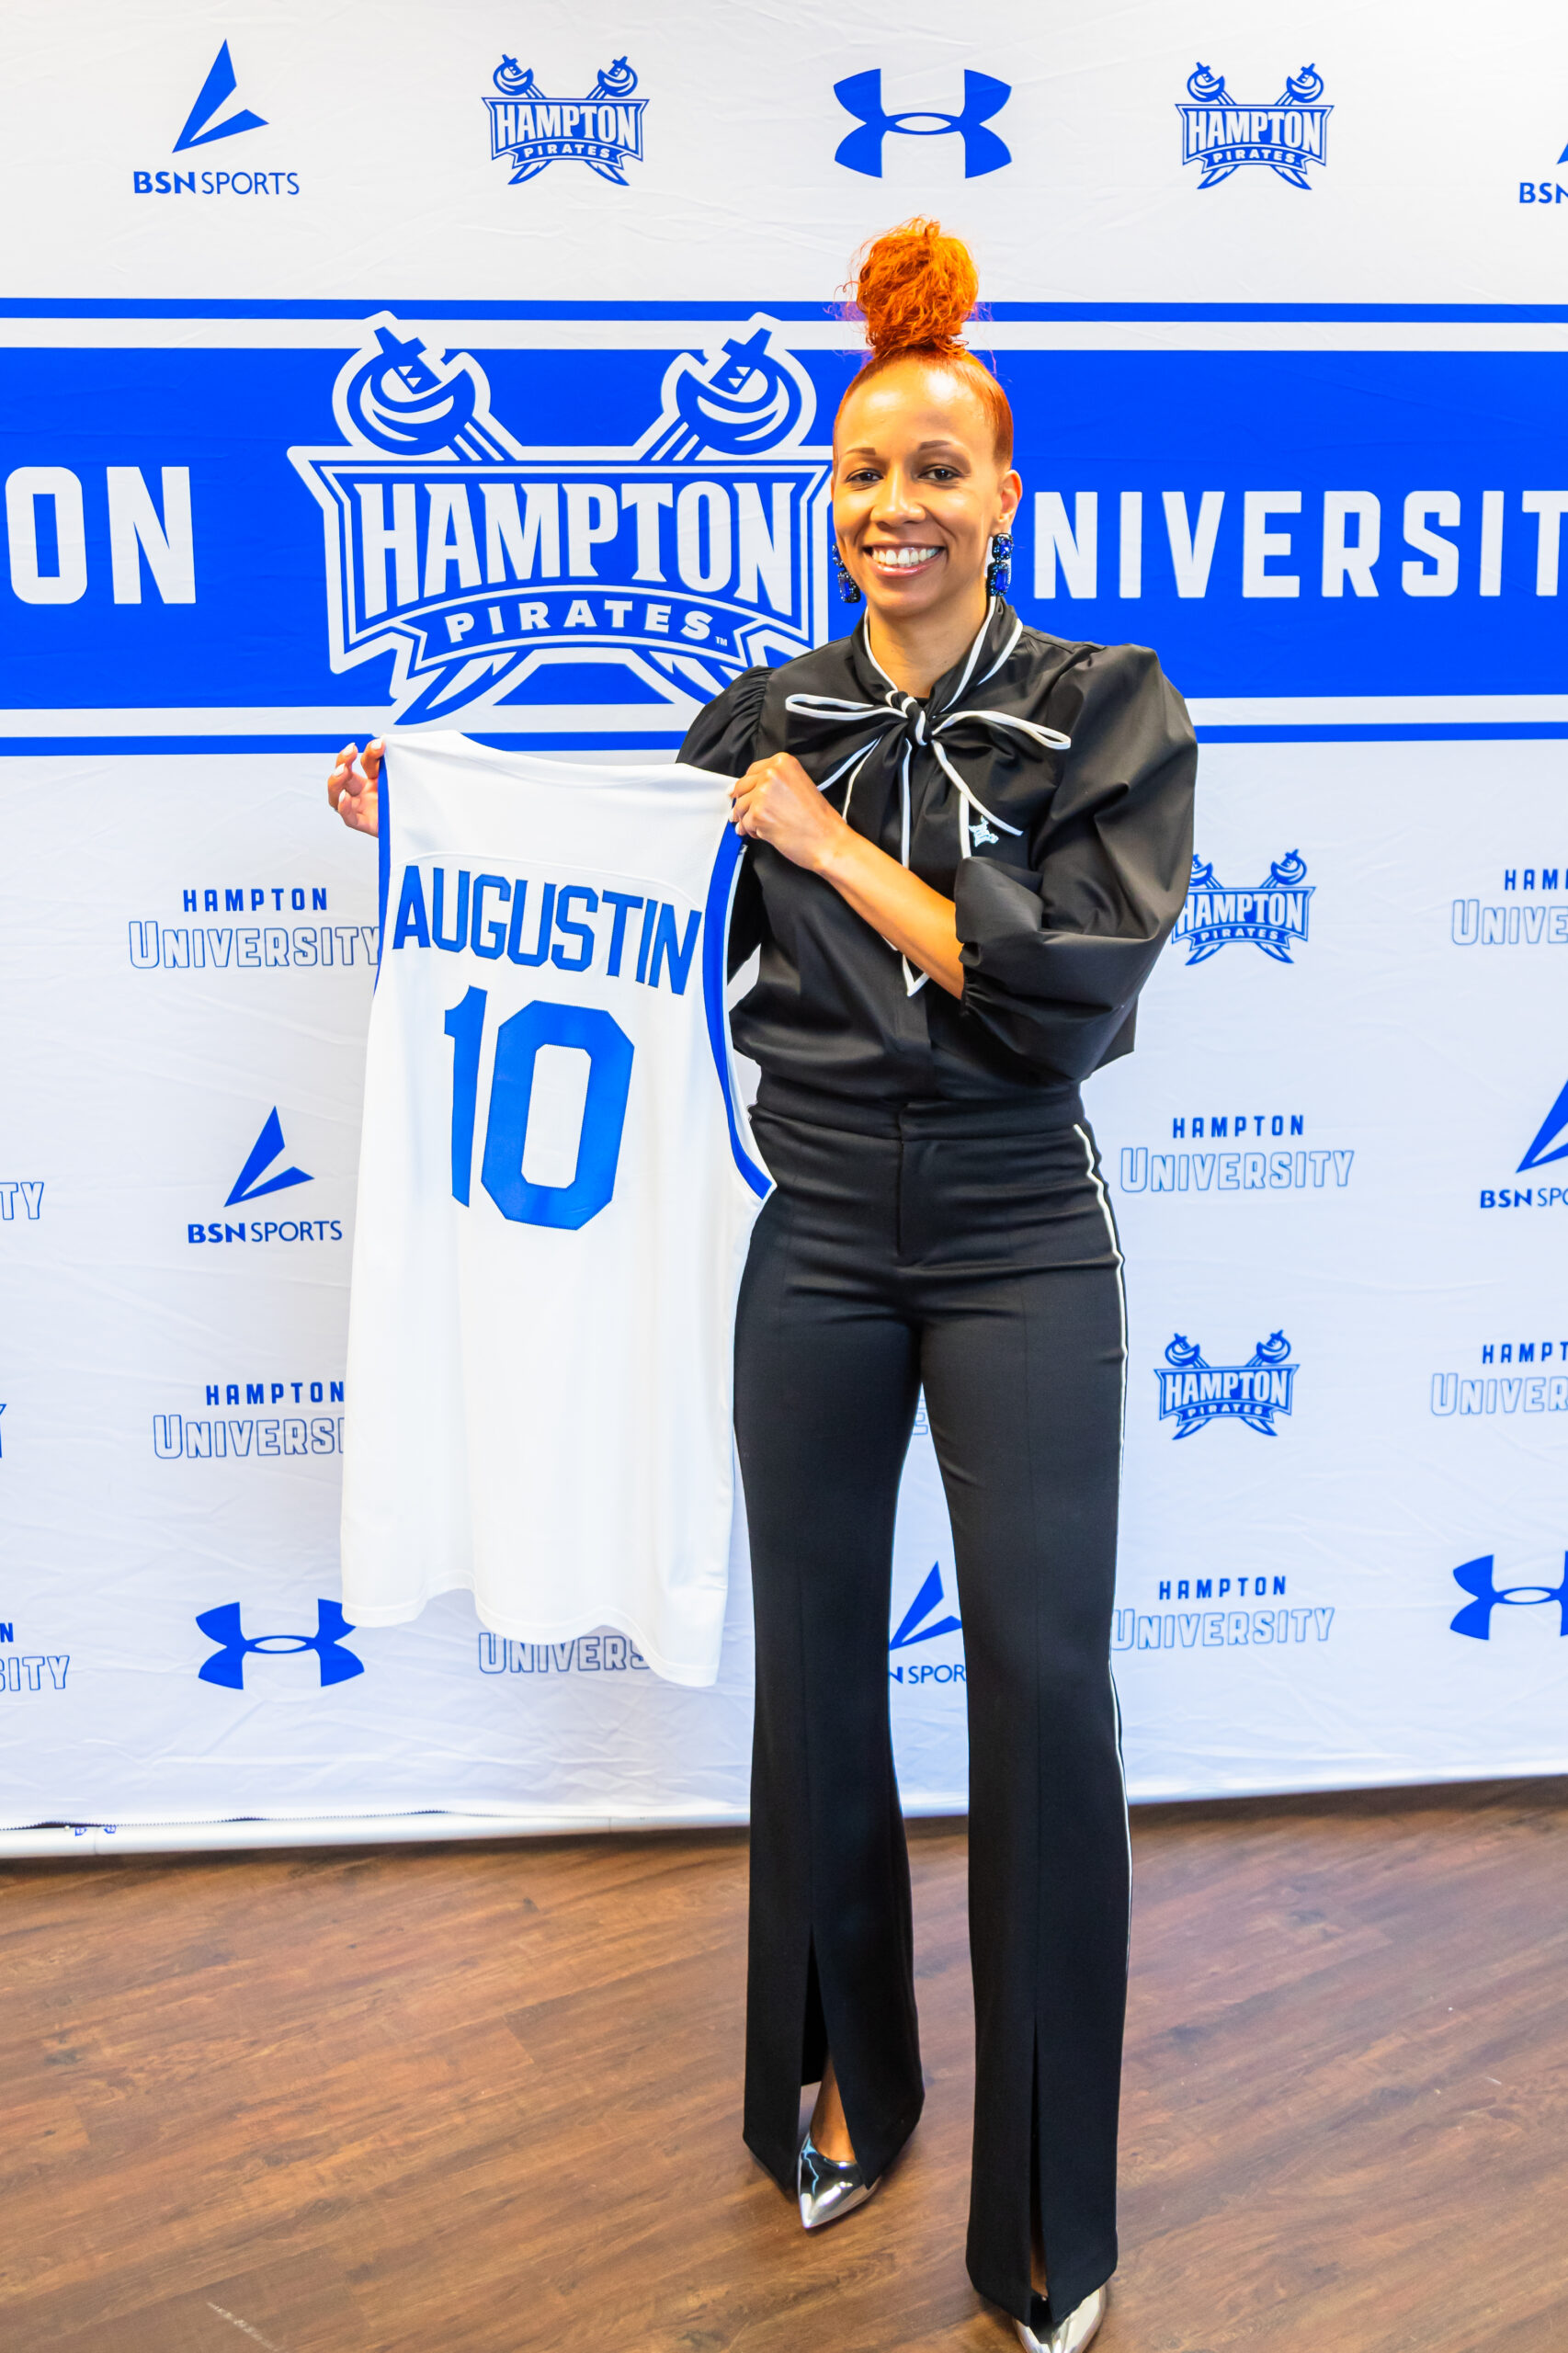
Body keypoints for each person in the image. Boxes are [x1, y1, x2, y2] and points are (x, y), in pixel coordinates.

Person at [328, 218, 1195, 2353]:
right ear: (832, 499)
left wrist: (819, 845)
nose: (895, 505)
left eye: (936, 471)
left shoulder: (1105, 706)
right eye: (861, 472)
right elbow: (614, 891)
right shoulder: (768, 711)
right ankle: (840, 2091)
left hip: (1015, 1238)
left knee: (1043, 1691)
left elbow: (1059, 991)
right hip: (805, 1236)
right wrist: (420, 830)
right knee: (812, 1680)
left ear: (1005, 498)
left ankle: (1047, 2218)